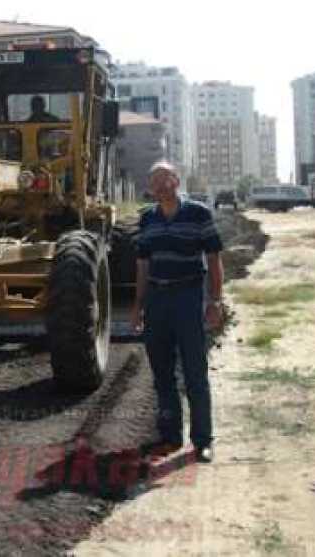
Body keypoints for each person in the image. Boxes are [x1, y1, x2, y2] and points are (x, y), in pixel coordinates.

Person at [130, 160, 224, 463]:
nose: (160, 186)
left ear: (176, 180)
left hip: (188, 296)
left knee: (195, 371)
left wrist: (215, 300)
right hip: (157, 299)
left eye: (165, 179)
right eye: (155, 182)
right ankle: (170, 435)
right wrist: (138, 306)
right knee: (162, 372)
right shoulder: (147, 219)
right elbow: (143, 265)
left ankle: (202, 440)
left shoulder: (198, 213)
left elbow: (214, 259)